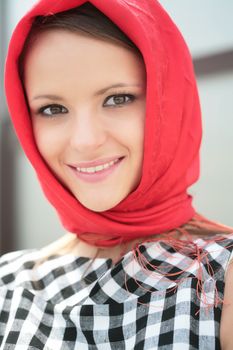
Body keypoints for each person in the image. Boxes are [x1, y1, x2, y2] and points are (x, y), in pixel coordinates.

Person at [2, 0, 233, 349]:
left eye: (117, 99)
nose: (85, 141)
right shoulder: (9, 282)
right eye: (52, 109)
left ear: (169, 101)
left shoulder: (222, 276)